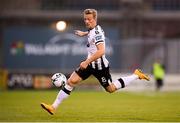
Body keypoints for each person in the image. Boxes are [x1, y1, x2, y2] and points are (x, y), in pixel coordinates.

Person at [41, 8, 150, 115]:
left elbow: (101, 51)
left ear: (95, 19)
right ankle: (53, 107)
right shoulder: (93, 29)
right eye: (85, 19)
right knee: (71, 81)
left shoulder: (97, 33)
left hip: (100, 67)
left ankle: (136, 75)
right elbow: (91, 32)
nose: (87, 21)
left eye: (89, 19)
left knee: (110, 89)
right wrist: (84, 33)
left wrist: (86, 61)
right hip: (90, 64)